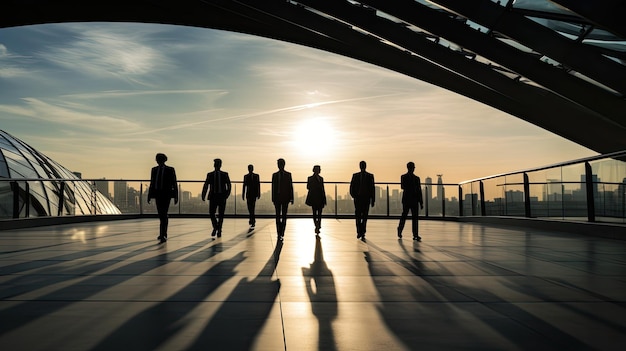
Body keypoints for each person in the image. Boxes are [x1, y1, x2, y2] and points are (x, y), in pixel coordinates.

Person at [147, 153, 178, 243]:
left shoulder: (170, 170)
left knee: (163, 214)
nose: (157, 161)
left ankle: (163, 233)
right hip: (157, 194)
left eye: (158, 159)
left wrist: (176, 196)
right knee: (161, 214)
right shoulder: (154, 170)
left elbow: (174, 183)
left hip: (166, 194)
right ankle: (163, 233)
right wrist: (150, 195)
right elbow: (152, 183)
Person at [201, 158, 231, 238]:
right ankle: (216, 227)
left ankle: (218, 229)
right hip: (213, 196)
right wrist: (203, 194)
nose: (216, 165)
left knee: (221, 214)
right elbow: (206, 185)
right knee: (211, 213)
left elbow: (229, 185)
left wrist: (226, 195)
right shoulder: (210, 174)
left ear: (220, 165)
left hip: (221, 196)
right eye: (215, 163)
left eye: (217, 164)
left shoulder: (224, 174)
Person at [397, 161, 424, 241]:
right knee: (404, 216)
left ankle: (415, 234)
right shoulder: (404, 177)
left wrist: (421, 201)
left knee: (415, 217)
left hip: (414, 199)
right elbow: (403, 186)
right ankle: (400, 230)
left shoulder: (416, 178)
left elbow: (419, 191)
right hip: (407, 199)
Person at [349, 160, 375, 239]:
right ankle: (360, 231)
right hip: (358, 198)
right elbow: (352, 187)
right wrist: (354, 195)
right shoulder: (356, 176)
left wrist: (372, 199)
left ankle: (362, 231)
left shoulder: (370, 176)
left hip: (365, 198)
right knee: (358, 216)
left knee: (364, 216)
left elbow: (372, 189)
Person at [271, 158, 293, 240]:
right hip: (277, 198)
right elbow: (273, 188)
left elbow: (290, 187)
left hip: (285, 198)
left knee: (283, 216)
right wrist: (273, 198)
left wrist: (291, 198)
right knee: (278, 216)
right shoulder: (275, 175)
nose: (279, 165)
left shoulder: (288, 175)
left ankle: (281, 231)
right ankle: (279, 232)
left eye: (280, 164)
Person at [306, 165, 327, 235]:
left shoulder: (320, 178)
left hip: (319, 198)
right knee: (315, 213)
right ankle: (317, 225)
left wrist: (324, 199)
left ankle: (318, 225)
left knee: (319, 214)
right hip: (314, 198)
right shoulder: (311, 178)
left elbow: (322, 189)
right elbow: (308, 187)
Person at [242, 164, 261, 231]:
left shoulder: (254, 176)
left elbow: (258, 185)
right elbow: (244, 186)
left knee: (251, 207)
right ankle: (252, 219)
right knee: (250, 207)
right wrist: (243, 194)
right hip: (249, 194)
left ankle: (252, 219)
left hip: (252, 194)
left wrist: (259, 193)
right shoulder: (248, 176)